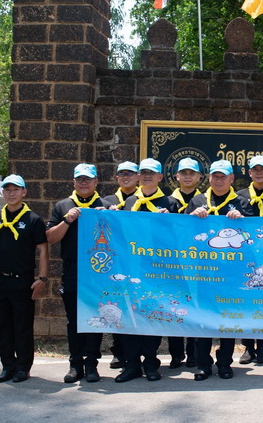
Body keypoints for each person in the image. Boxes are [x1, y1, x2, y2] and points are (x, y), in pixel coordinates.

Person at [47, 163, 109, 383]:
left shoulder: (106, 205)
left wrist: (110, 217)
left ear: (96, 182)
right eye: (80, 179)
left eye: (88, 179)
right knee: (74, 320)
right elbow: (51, 237)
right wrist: (67, 220)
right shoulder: (62, 205)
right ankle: (75, 365)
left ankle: (91, 364)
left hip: (99, 271)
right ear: (73, 182)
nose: (84, 183)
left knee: (95, 318)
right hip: (73, 270)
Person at [187, 159, 247, 381]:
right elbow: (183, 232)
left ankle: (224, 363)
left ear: (231, 179)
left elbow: (252, 236)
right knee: (202, 319)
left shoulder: (241, 202)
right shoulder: (197, 200)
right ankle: (203, 364)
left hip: (231, 272)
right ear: (209, 178)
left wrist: (242, 221)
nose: (219, 180)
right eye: (215, 176)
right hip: (203, 271)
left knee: (228, 319)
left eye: (223, 176)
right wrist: (191, 217)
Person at [0, 174, 49, 383]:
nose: (11, 194)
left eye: (15, 190)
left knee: (22, 326)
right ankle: (7, 366)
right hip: (0, 279)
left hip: (22, 280)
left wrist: (42, 278)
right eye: (7, 190)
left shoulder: (33, 219)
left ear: (24, 192)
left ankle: (23, 367)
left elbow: (43, 250)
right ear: (3, 192)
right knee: (2, 325)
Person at [115, 158, 169, 383]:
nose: (147, 176)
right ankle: (132, 365)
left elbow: (180, 237)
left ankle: (151, 363)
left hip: (157, 270)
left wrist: (168, 221)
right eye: (143, 172)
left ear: (160, 177)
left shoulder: (170, 203)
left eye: (152, 173)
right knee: (131, 316)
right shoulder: (129, 202)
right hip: (131, 269)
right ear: (138, 176)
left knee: (153, 317)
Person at [237, 155, 263, 365]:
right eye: (255, 169)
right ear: (250, 173)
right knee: (247, 301)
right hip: (246, 256)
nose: (259, 173)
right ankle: (248, 347)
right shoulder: (239, 197)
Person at [163, 157, 202, 369]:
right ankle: (176, 354)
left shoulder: (206, 200)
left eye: (191, 173)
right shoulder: (168, 202)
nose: (187, 177)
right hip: (174, 262)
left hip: (200, 262)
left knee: (196, 307)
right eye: (184, 173)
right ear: (176, 176)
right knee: (175, 307)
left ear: (199, 177)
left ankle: (194, 353)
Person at [101, 161, 140, 369]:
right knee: (117, 306)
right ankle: (118, 352)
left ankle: (139, 354)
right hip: (115, 262)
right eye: (122, 174)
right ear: (116, 178)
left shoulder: (142, 199)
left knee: (139, 308)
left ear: (137, 177)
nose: (126, 177)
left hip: (139, 261)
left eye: (130, 173)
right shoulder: (107, 200)